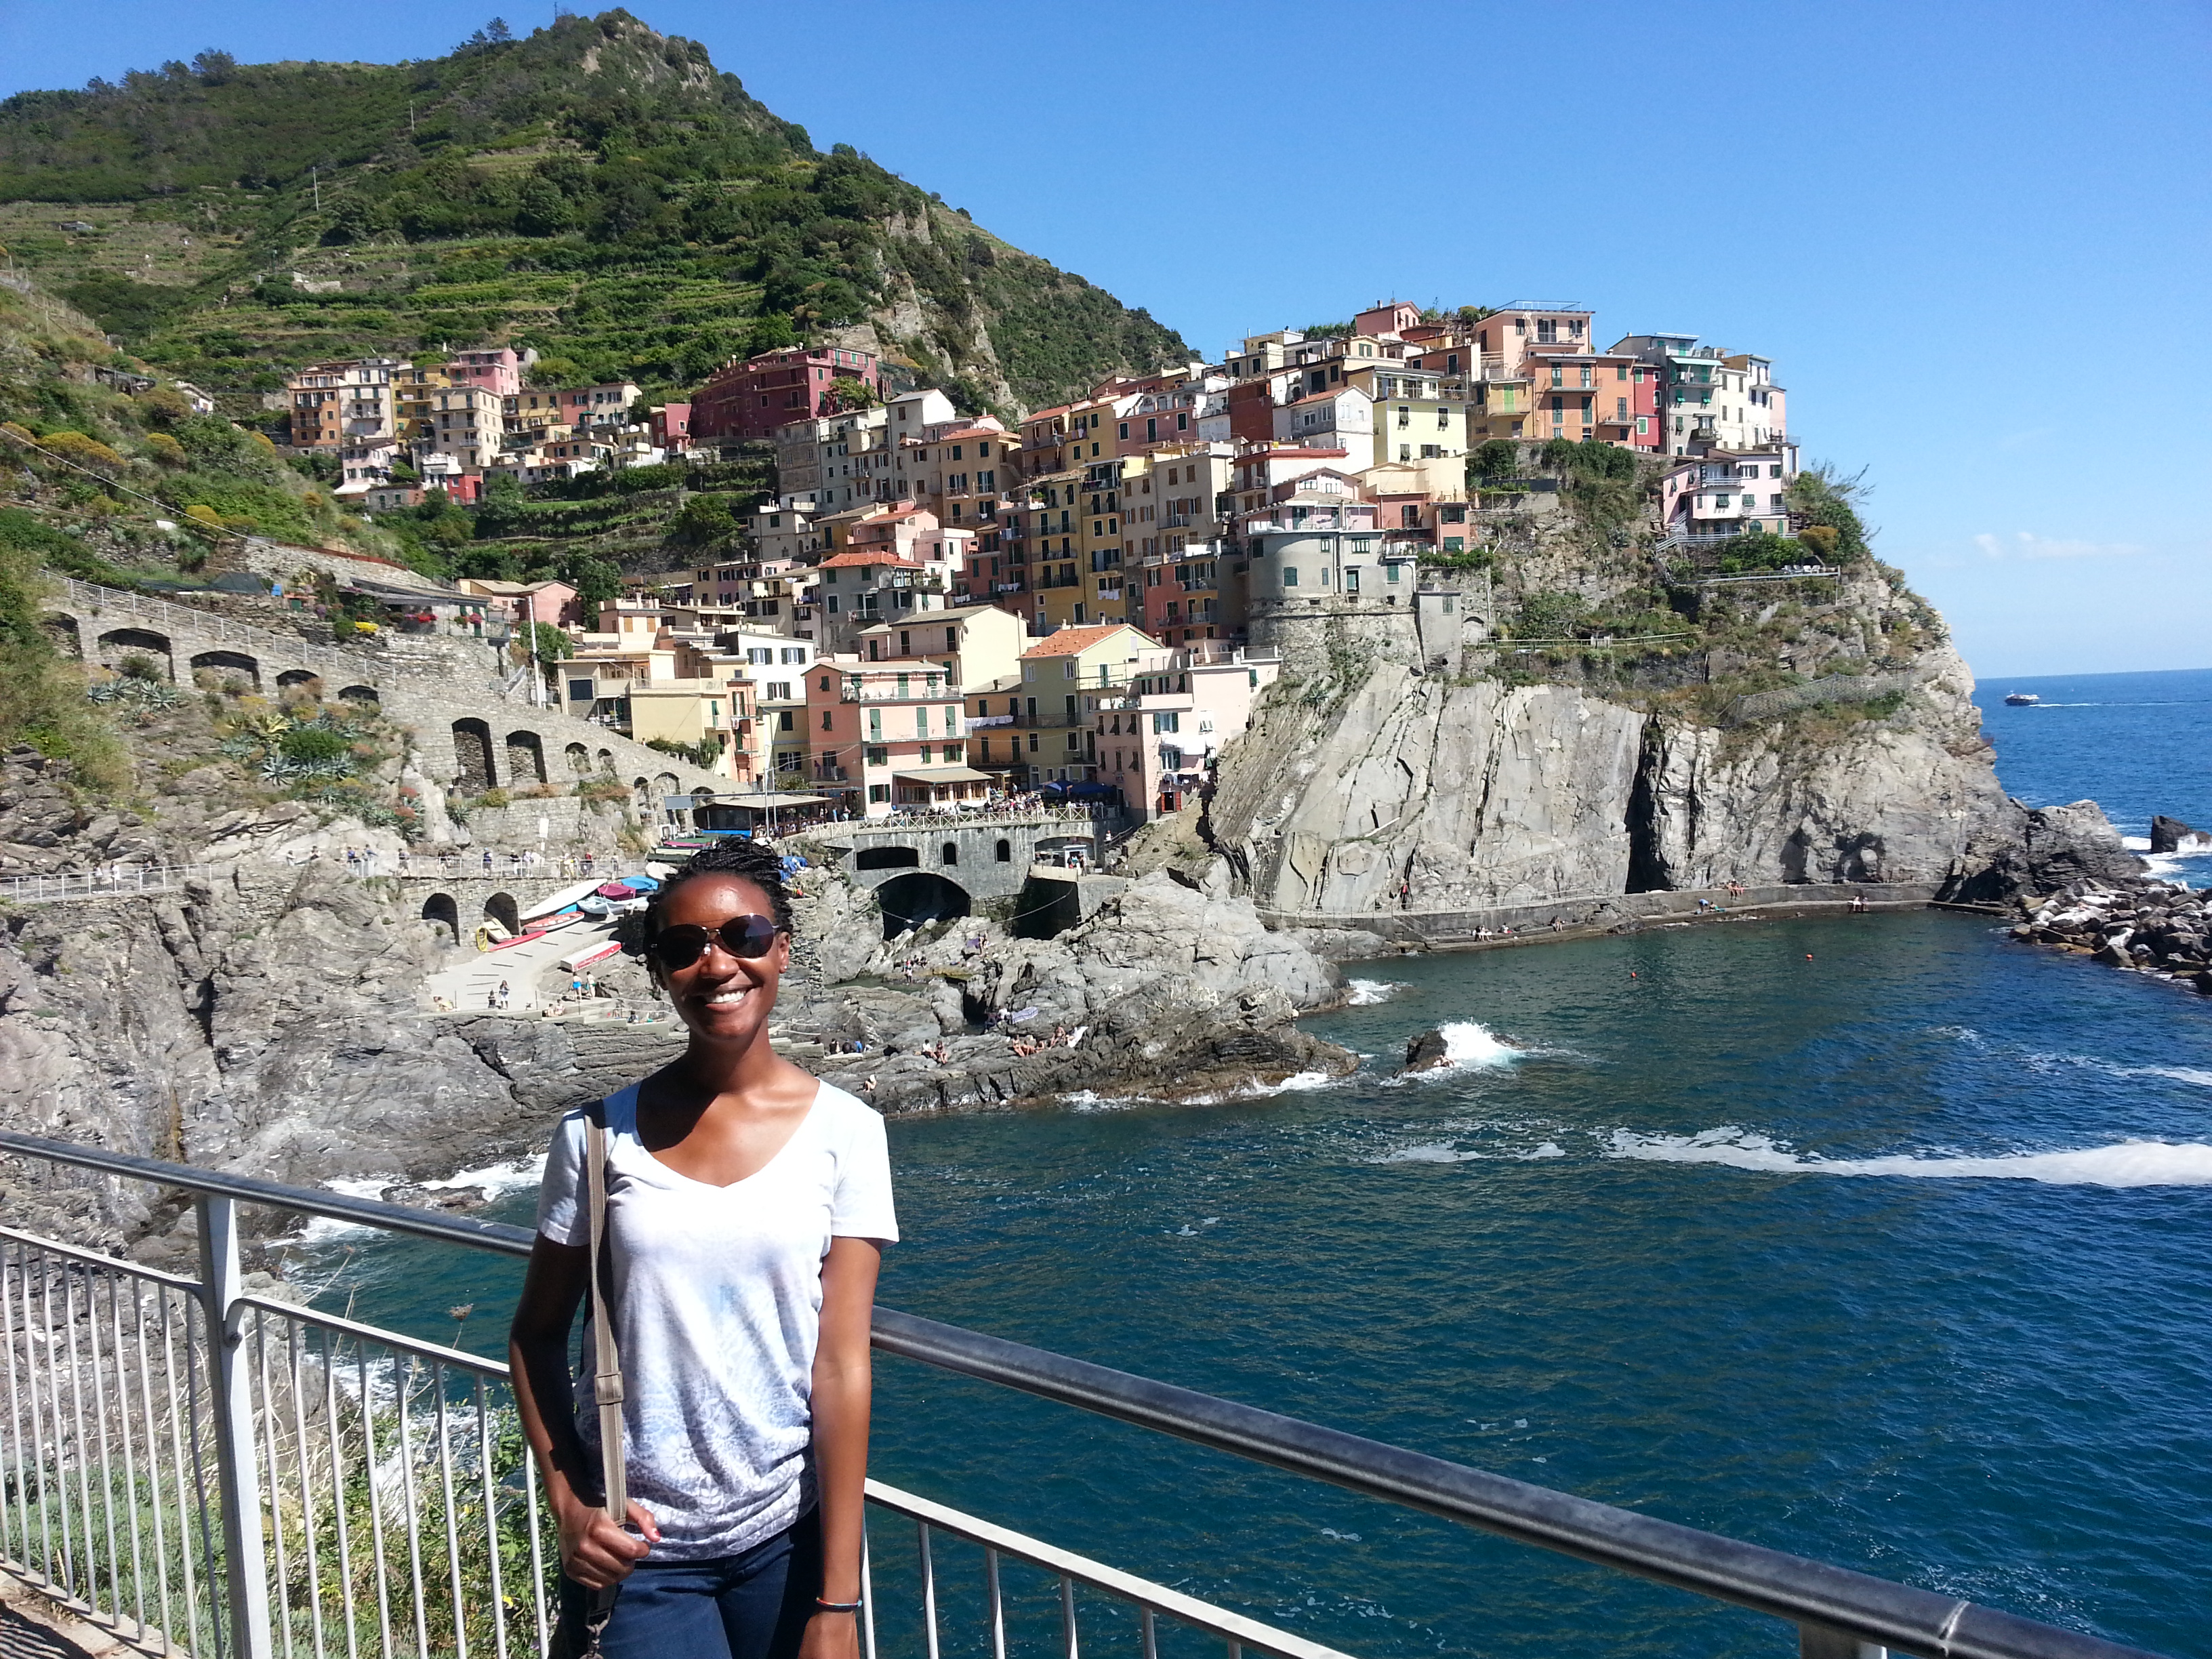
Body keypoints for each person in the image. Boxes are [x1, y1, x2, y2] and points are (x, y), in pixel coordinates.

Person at [510, 840, 896, 1659]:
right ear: (659, 972)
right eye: (684, 948)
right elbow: (535, 1335)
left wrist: (839, 1600)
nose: (717, 964)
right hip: (640, 1552)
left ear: (782, 948)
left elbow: (842, 1365)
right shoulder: (594, 1137)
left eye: (744, 937)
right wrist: (571, 1501)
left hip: (785, 1540)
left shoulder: (850, 1134)